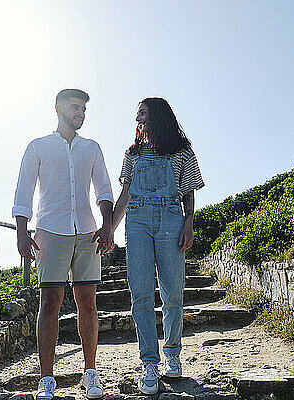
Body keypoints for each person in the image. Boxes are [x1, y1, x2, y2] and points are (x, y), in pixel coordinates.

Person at [13, 89, 114, 400]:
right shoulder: (38, 147)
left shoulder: (92, 148)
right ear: (58, 109)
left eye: (83, 108)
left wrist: (108, 226)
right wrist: (21, 231)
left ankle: (90, 373)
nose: (80, 113)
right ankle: (46, 379)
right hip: (50, 230)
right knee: (50, 303)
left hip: (86, 232)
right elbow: (24, 190)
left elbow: (105, 189)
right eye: (74, 107)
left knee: (87, 301)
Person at [112, 97, 204, 395]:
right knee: (140, 294)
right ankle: (149, 363)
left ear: (158, 116)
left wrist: (188, 224)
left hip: (171, 219)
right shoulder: (133, 153)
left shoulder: (182, 151)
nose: (138, 118)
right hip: (136, 220)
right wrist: (109, 230)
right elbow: (124, 194)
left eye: (143, 112)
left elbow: (188, 191)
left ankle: (173, 355)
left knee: (173, 293)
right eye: (137, 113)